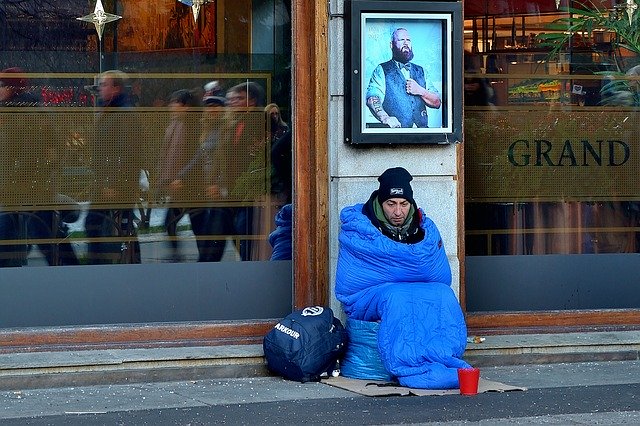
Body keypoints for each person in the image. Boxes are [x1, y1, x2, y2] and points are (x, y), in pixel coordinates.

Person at [335, 167, 470, 389]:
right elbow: (353, 278)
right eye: (391, 204)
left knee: (443, 293)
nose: (398, 211)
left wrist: (402, 268)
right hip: (366, 295)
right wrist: (408, 266)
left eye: (404, 204)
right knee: (397, 296)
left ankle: (445, 359)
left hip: (407, 291)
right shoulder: (360, 229)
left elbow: (438, 275)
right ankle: (410, 367)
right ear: (380, 203)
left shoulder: (423, 228)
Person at [0, 67, 79, 267]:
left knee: (34, 233)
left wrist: (17, 178)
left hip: (26, 188)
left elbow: (32, 153)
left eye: (1, 85)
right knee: (35, 233)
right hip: (23, 188)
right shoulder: (17, 111)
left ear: (13, 88)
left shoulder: (23, 113)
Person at [84, 70, 142, 264]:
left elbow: (125, 153)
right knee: (121, 225)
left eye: (104, 84)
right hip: (109, 182)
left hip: (115, 184)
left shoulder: (123, 114)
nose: (100, 88)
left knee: (101, 223)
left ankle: (103, 266)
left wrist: (112, 183)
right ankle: (127, 264)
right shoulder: (110, 111)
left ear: (116, 88)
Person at [207, 81, 268, 261]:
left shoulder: (261, 121)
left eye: (239, 99)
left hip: (249, 194)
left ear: (252, 101)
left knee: (244, 240)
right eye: (230, 99)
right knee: (222, 238)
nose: (232, 103)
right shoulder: (233, 125)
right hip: (231, 193)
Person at [169, 94, 227, 262]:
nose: (212, 109)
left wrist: (220, 185)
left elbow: (230, 160)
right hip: (206, 189)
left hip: (220, 192)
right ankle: (205, 266)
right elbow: (198, 158)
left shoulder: (225, 129)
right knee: (207, 232)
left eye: (216, 105)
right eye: (209, 106)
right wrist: (181, 176)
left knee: (216, 234)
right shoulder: (206, 130)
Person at [156, 89, 201, 262]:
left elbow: (196, 156)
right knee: (173, 222)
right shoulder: (173, 126)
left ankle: (197, 257)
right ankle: (181, 256)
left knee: (190, 223)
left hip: (188, 185)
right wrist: (162, 181)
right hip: (176, 185)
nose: (171, 106)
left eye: (175, 103)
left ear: (186, 106)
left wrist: (181, 177)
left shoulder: (192, 126)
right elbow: (166, 156)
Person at [365, 28, 441, 128]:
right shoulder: (382, 69)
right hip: (396, 135)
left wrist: (420, 91)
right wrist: (385, 118)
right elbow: (372, 98)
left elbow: (437, 102)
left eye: (408, 40)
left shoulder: (421, 71)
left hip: (423, 134)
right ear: (392, 45)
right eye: (401, 40)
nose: (406, 43)